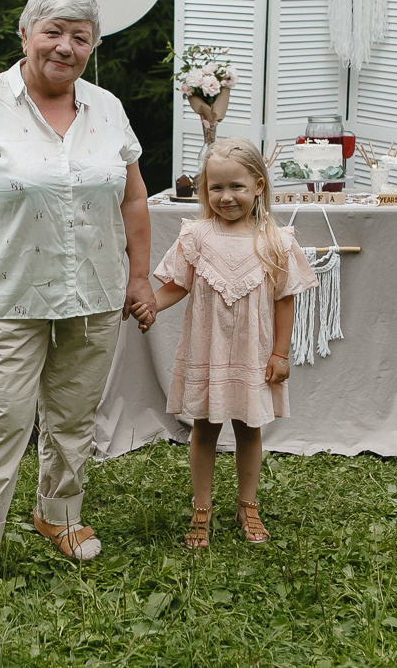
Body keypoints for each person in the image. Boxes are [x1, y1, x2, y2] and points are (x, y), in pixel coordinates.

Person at [0, 0, 157, 600]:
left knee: (73, 417)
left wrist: (139, 276)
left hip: (95, 294)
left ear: (93, 48)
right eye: (54, 32)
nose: (66, 46)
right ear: (25, 34)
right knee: (1, 417)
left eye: (80, 37)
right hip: (8, 295)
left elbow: (133, 195)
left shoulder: (107, 108)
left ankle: (57, 517)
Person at [135, 138, 317, 548]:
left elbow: (285, 300)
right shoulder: (195, 235)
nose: (226, 196)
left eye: (236, 186)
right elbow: (177, 285)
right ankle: (202, 509)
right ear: (204, 191)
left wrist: (281, 353)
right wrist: (151, 306)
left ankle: (247, 505)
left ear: (257, 186)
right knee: (204, 427)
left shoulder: (277, 240)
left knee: (249, 428)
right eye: (216, 188)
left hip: (253, 353)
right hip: (208, 349)